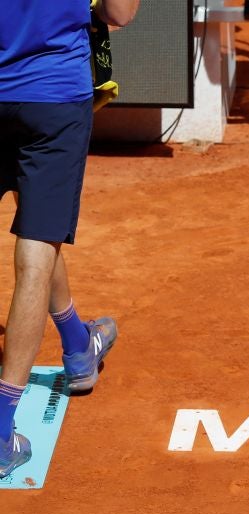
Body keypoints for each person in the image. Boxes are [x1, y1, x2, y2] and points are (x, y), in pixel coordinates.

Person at [0, 0, 140, 479]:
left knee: (38, 221)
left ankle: (79, 345)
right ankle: (2, 431)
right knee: (38, 248)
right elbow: (120, 14)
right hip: (54, 99)